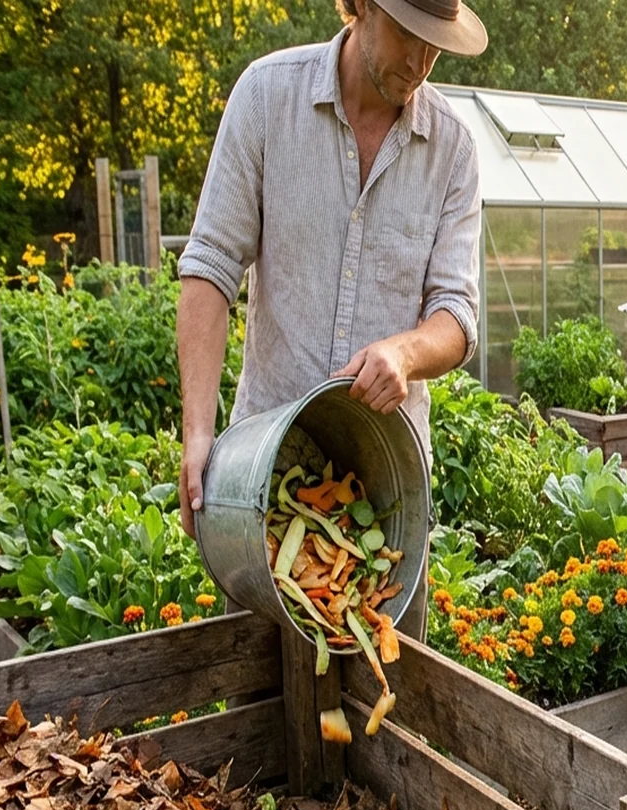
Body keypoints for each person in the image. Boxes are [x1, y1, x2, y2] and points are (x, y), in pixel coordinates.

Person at [175, 0, 487, 635]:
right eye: (408, 35)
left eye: (436, 44)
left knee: (387, 689)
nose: (421, 62)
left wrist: (403, 353)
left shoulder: (452, 148)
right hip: (262, 483)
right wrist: (197, 434)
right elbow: (209, 267)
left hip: (386, 495)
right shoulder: (267, 98)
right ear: (362, 6)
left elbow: (457, 313)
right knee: (256, 691)